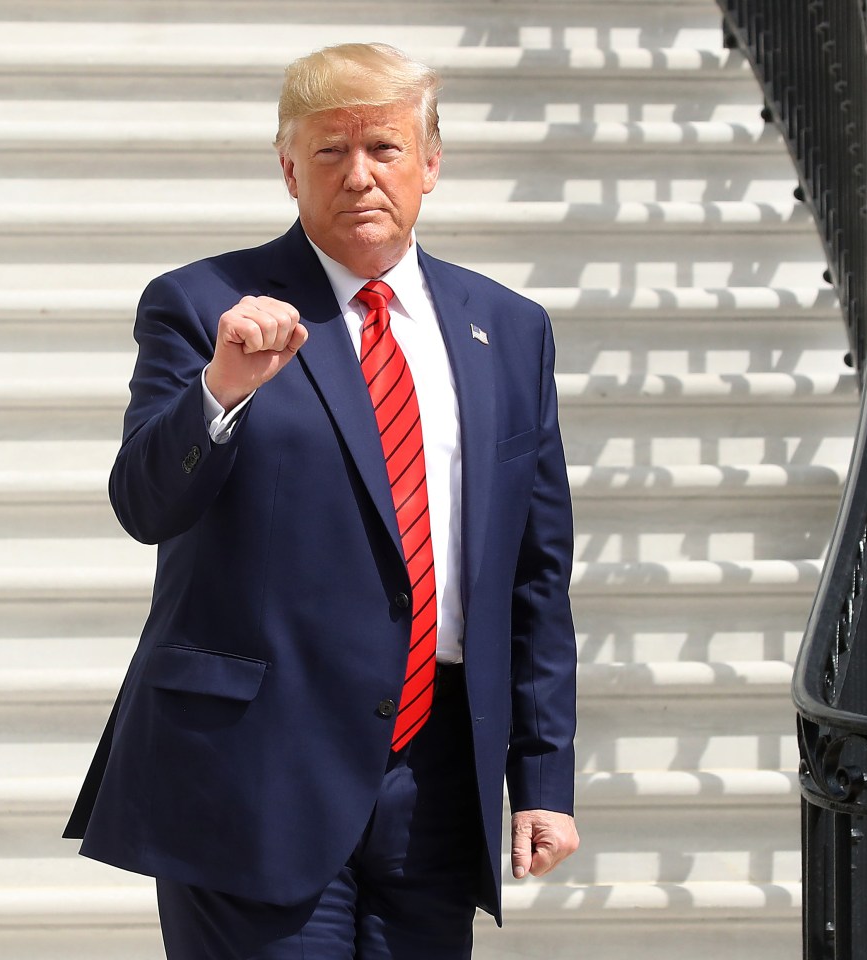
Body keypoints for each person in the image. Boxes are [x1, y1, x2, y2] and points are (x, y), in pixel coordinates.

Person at [63, 42, 579, 959]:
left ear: (430, 163)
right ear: (287, 166)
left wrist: (541, 776)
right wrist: (221, 389)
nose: (359, 175)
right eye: (329, 151)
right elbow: (145, 504)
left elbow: (534, 573)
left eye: (383, 147)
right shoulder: (203, 305)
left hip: (437, 780)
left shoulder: (508, 329)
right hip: (252, 769)